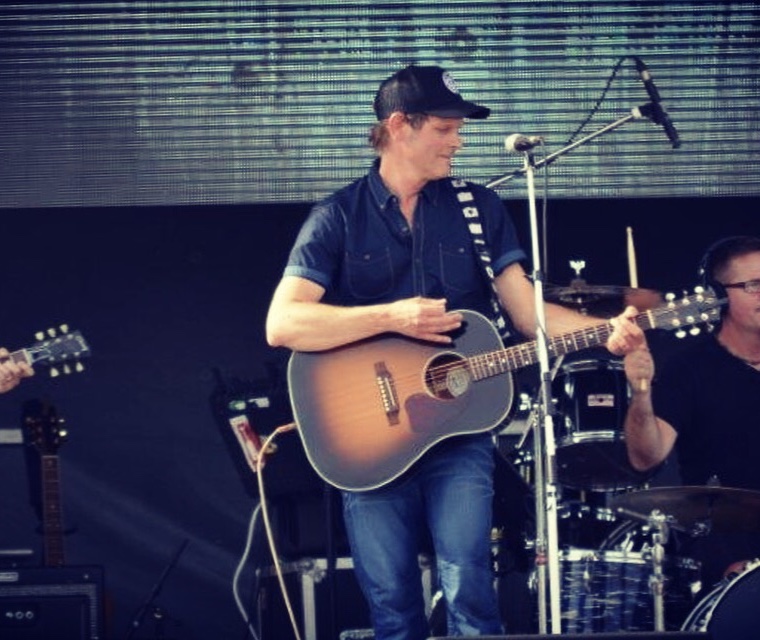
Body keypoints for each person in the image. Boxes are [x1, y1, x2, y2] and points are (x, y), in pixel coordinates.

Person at [265, 64, 640, 640]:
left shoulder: (478, 207)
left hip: (458, 433)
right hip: (369, 437)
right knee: (392, 603)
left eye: (457, 129)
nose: (458, 141)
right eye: (444, 128)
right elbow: (283, 323)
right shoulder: (337, 216)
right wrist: (391, 316)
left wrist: (603, 329)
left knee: (470, 586)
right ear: (399, 126)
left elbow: (526, 315)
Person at [617, 235, 760, 590]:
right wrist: (641, 391)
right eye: (753, 285)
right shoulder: (688, 369)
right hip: (718, 548)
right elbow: (646, 456)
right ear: (717, 295)